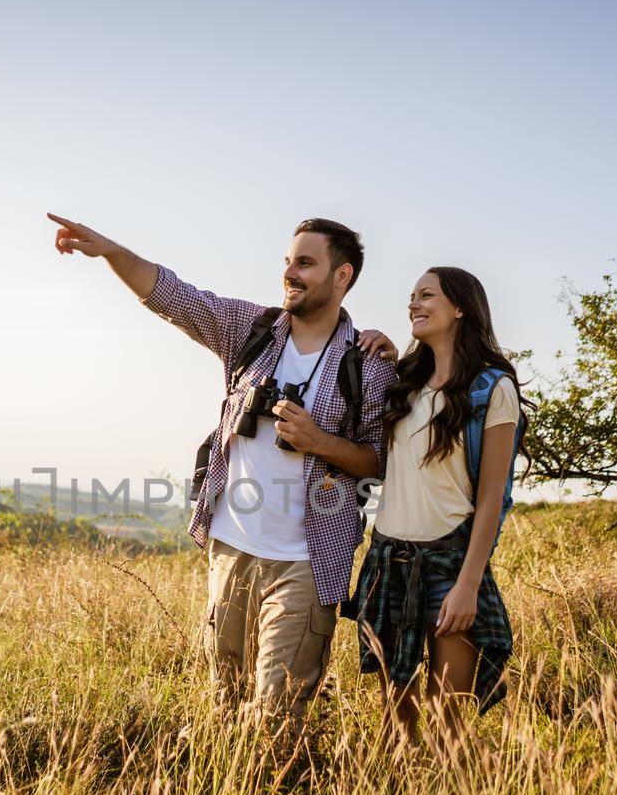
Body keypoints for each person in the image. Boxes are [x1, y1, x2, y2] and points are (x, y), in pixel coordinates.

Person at [48, 213, 396, 744]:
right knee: (225, 702)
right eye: (288, 261)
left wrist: (318, 441)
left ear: (342, 276)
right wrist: (111, 251)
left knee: (277, 714)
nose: (290, 273)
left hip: (306, 559)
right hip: (230, 548)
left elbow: (379, 461)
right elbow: (174, 296)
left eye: (306, 263)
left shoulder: (368, 364)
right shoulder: (251, 331)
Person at [349, 267, 526, 755]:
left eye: (426, 295)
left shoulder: (491, 389)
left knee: (447, 713)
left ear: (460, 308)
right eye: (411, 297)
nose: (413, 304)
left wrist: (469, 585)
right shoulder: (403, 381)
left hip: (451, 562)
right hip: (389, 557)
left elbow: (493, 497)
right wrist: (383, 350)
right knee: (395, 709)